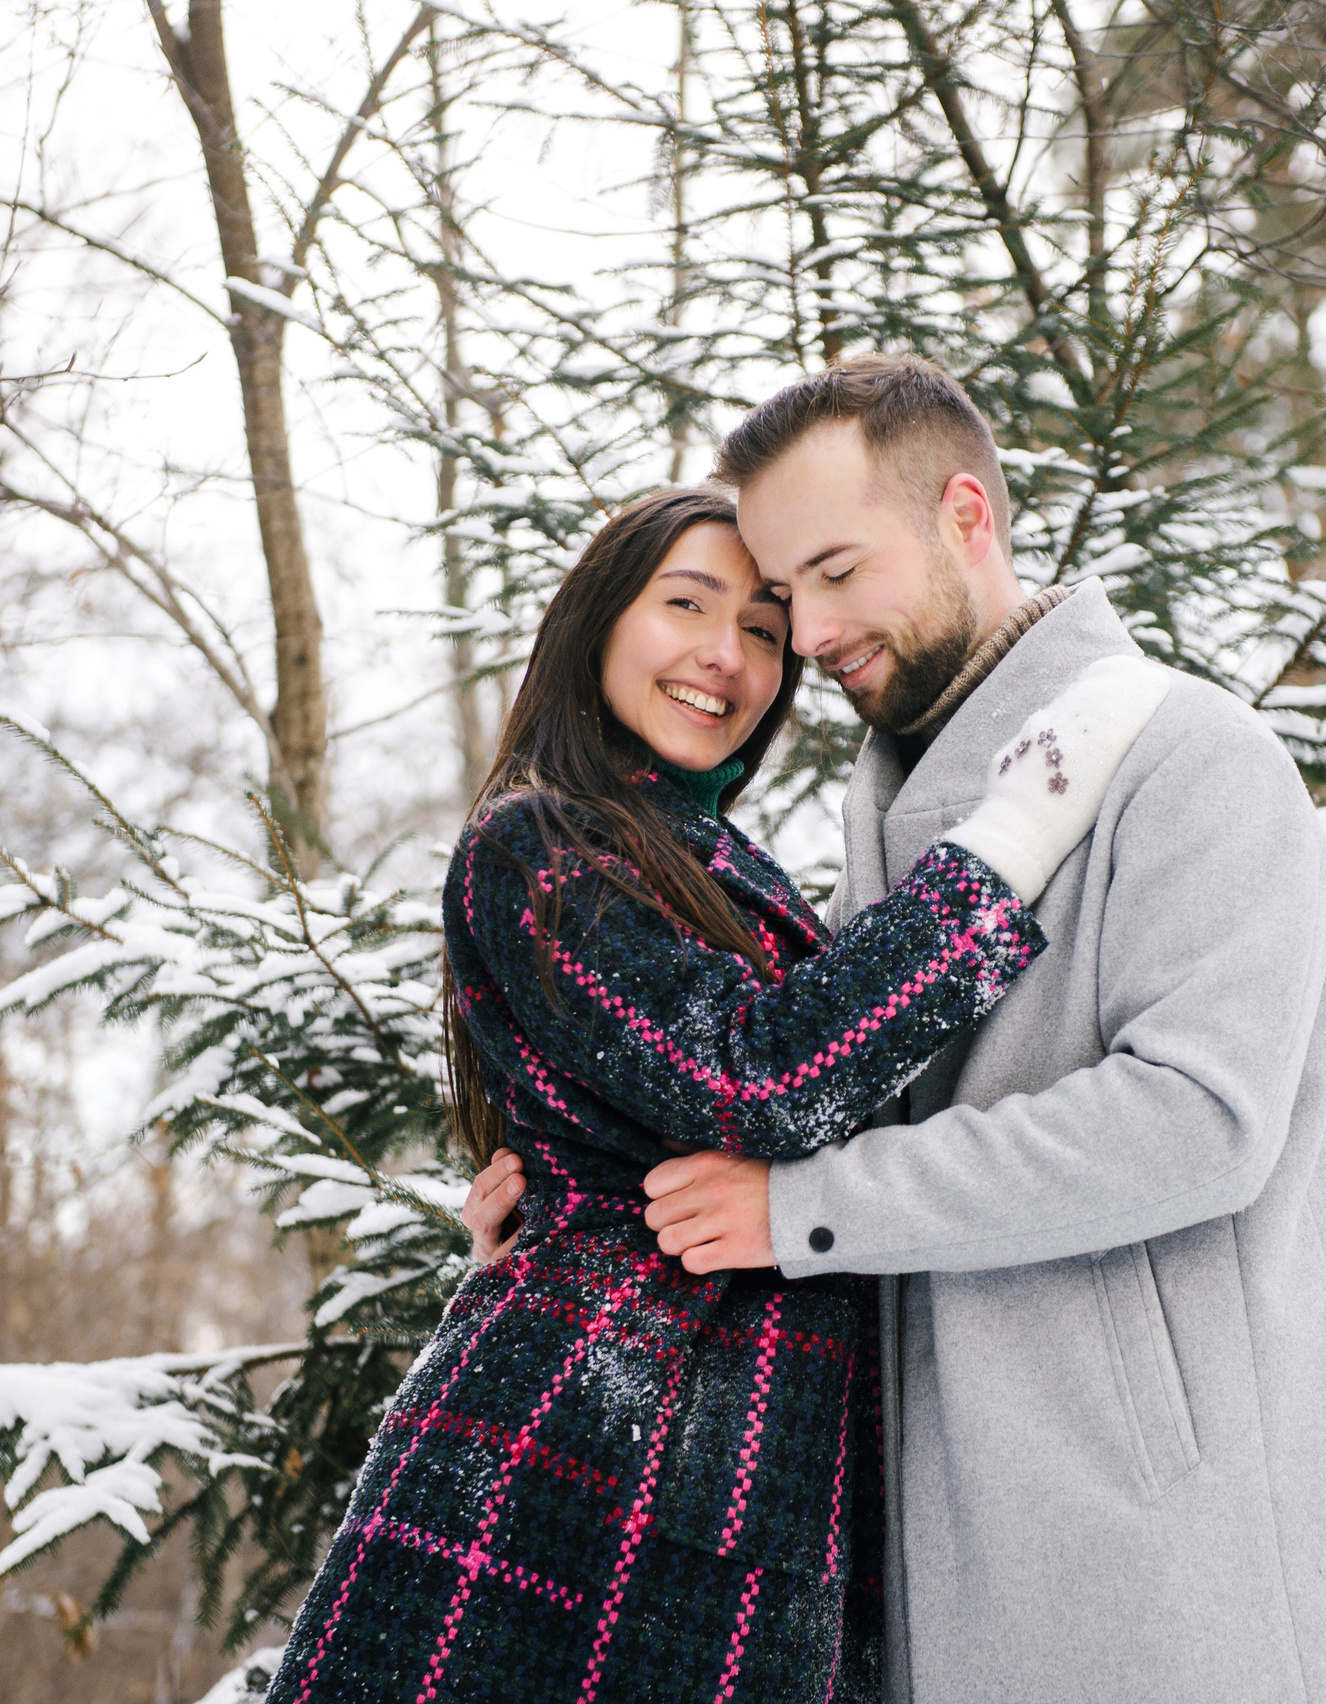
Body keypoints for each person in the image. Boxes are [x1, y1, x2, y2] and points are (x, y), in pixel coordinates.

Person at [465, 357, 1326, 1702]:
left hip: (1155, 1569)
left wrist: (809, 1207)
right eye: (789, 595)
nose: (810, 633)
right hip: (915, 1569)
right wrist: (582, 1199)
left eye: (837, 571)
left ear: (965, 516)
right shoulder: (883, 839)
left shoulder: (1190, 756)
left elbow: (1199, 1122)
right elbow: (771, 1099)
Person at [265, 486, 1161, 1704]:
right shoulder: (538, 840)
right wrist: (1017, 831)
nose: (725, 656)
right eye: (685, 605)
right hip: (596, 1443)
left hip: (732, 1453)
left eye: (761, 627)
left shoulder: (710, 860)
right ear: (594, 622)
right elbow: (761, 1080)